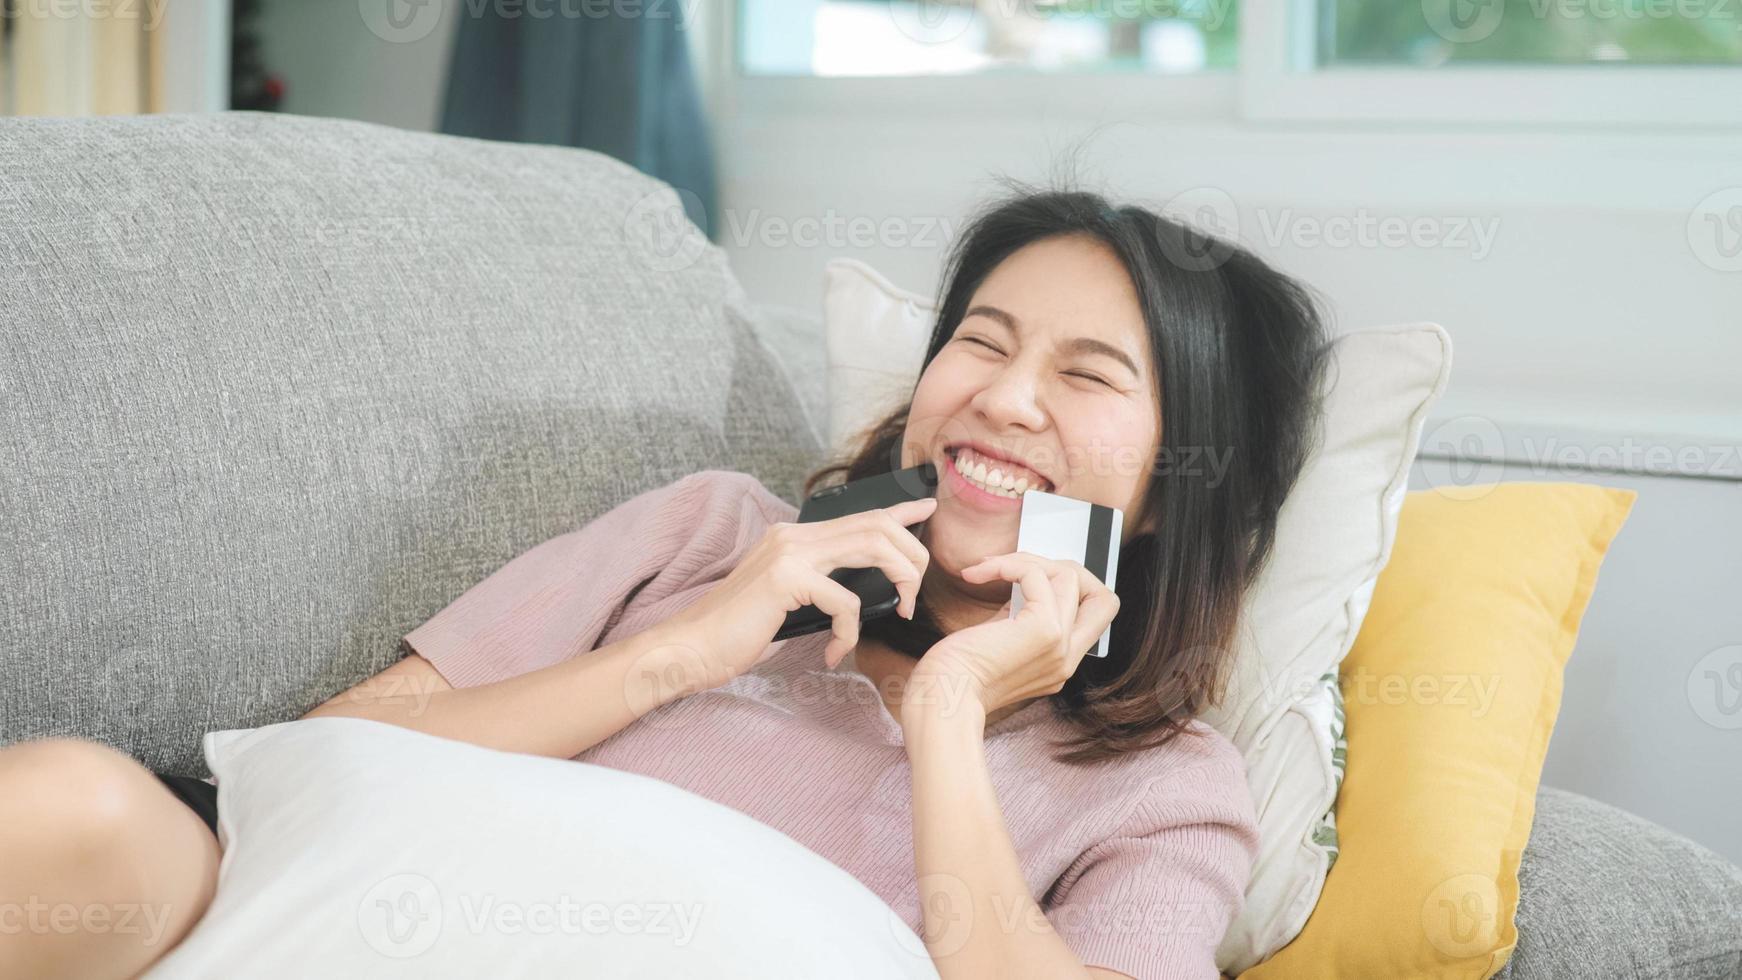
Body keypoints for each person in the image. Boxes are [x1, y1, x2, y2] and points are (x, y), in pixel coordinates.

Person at [0, 185, 1331, 980]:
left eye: (1086, 377)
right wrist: (686, 651)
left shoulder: (1164, 782)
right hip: (320, 924)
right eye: (978, 343)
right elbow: (332, 755)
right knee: (73, 804)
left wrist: (946, 718)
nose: (1002, 397)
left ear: (1170, 492)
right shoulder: (719, 533)